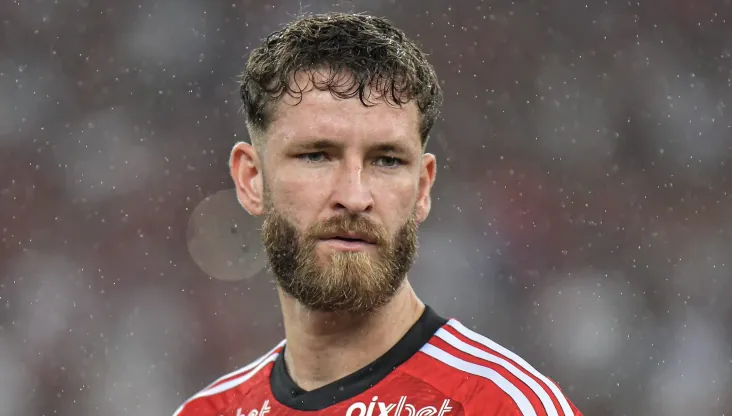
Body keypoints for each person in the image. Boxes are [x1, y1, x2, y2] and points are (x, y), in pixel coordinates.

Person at [174, 12, 583, 416]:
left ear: (422, 188)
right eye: (316, 155)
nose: (354, 196)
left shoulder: (501, 407)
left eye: (386, 160)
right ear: (251, 179)